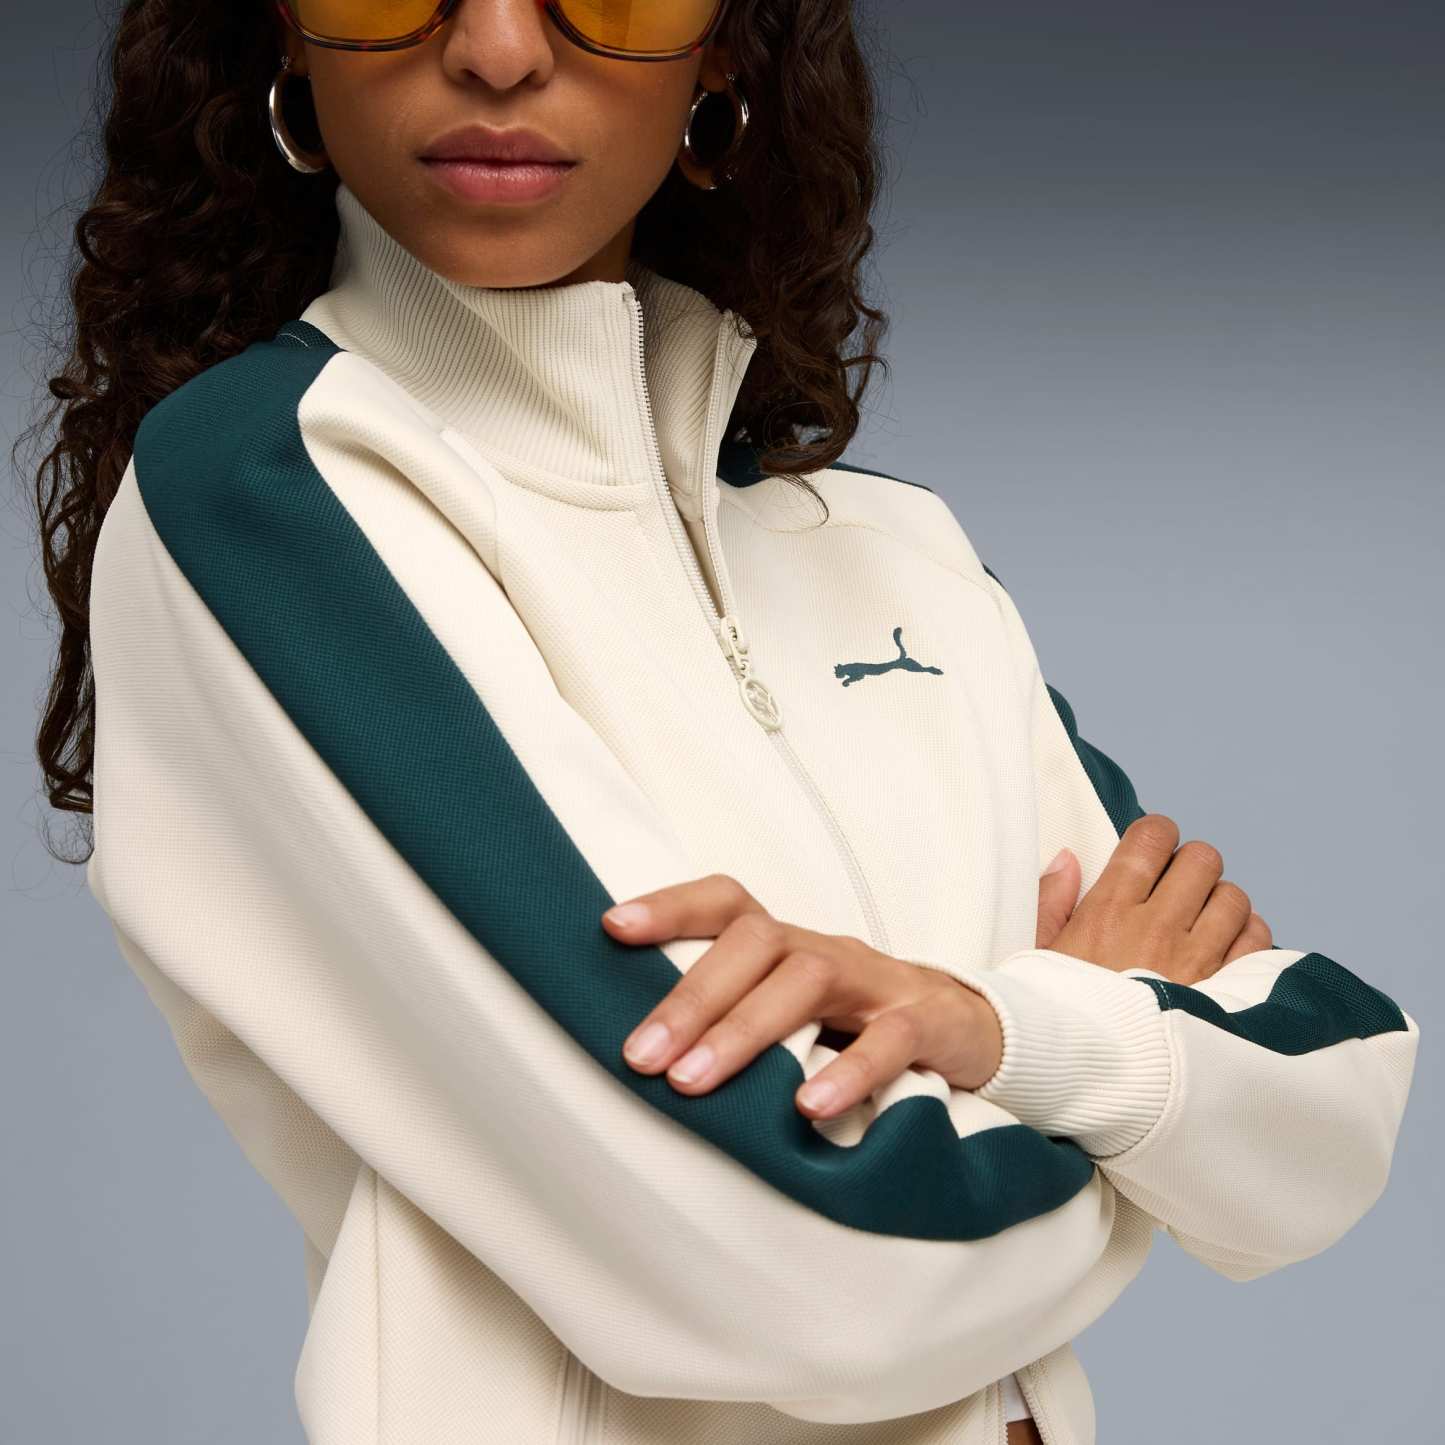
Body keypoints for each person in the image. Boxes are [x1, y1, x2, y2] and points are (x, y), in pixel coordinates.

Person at [26, 2, 1419, 1443]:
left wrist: (1004, 1032)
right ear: (286, 37)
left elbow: (1338, 1105)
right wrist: (1139, 1099)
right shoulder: (275, 490)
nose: (498, 49)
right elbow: (832, 1268)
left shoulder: (893, 550)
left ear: (726, 50)